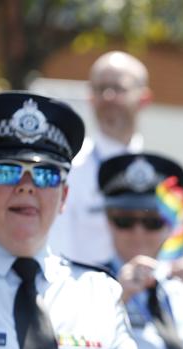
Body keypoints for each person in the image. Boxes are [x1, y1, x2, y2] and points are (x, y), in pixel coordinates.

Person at [0, 91, 138, 349]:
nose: (27, 186)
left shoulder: (98, 294)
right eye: (6, 171)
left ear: (64, 196)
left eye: (46, 175)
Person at [99, 153, 183, 349]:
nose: (138, 232)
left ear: (171, 224)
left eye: (152, 222)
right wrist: (117, 301)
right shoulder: (89, 286)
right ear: (108, 221)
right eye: (124, 220)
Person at [49, 50, 152, 264]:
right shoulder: (69, 169)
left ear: (144, 99)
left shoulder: (159, 174)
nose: (108, 97)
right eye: (100, 88)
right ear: (90, 98)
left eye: (118, 88)